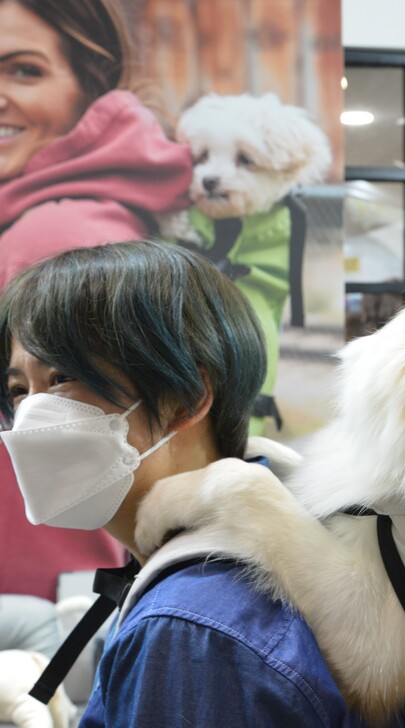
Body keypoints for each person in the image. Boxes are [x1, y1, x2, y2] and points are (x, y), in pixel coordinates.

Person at [0, 241, 367, 727]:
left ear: (186, 399)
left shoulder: (191, 629)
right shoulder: (257, 548)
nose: (30, 415)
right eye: (18, 390)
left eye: (62, 377)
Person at [0, 0, 193, 601]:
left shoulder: (47, 241)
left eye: (23, 70)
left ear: (88, 83)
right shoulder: (74, 216)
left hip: (37, 592)